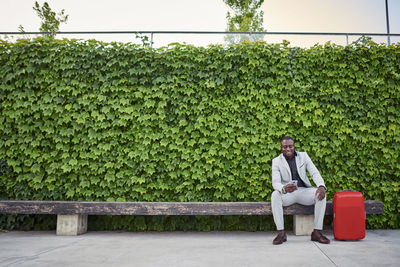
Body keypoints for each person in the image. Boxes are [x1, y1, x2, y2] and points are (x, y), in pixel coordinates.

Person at [271, 136, 330, 245]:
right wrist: (283, 188)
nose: (288, 149)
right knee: (275, 195)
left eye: (290, 146)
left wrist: (321, 186)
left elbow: (314, 172)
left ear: (294, 146)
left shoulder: (304, 156)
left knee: (321, 194)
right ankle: (281, 233)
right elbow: (275, 182)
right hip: (288, 193)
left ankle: (316, 232)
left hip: (304, 191)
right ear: (281, 148)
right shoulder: (276, 161)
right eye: (285, 147)